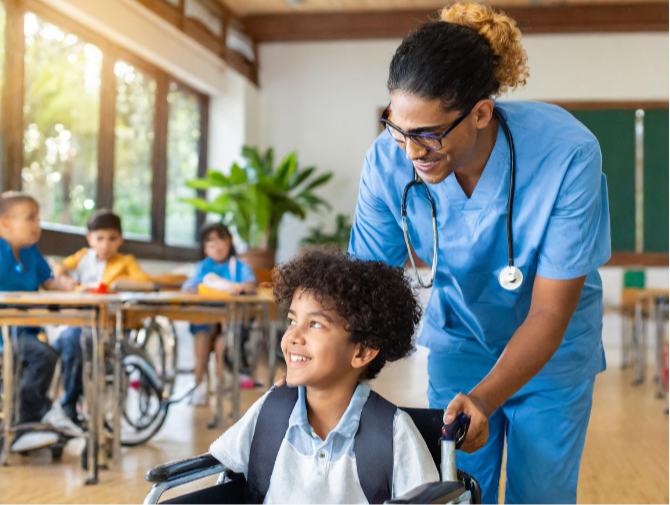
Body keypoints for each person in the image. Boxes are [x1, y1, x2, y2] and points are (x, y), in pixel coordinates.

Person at [347, 4, 611, 504]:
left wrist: (487, 398)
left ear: (482, 112)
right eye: (398, 128)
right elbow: (364, 285)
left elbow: (551, 310)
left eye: (428, 134)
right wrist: (329, 371)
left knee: (542, 495)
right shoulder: (388, 159)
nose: (410, 151)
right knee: (457, 491)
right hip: (461, 341)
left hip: (553, 351)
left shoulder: (567, 153)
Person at [209, 249, 438, 503]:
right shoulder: (269, 413)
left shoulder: (393, 434)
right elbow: (224, 483)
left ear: (362, 351)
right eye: (291, 321)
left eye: (315, 324)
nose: (293, 337)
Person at [51, 209, 154, 422]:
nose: (106, 244)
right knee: (64, 343)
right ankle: (66, 404)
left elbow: (146, 283)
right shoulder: (82, 258)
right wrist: (63, 278)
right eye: (100, 238)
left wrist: (116, 285)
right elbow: (58, 267)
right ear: (90, 239)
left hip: (109, 325)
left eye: (112, 238)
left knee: (75, 342)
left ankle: (70, 403)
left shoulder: (125, 262)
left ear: (120, 240)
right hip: (80, 320)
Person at [0, 192, 83, 452]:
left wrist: (67, 284)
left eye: (38, 218)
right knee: (42, 357)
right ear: (5, 224)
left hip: (26, 331)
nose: (38, 225)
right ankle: (30, 420)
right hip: (4, 334)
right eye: (30, 218)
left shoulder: (31, 252)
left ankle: (46, 416)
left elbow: (49, 281)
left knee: (61, 350)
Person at [182, 222, 257, 405]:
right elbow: (189, 286)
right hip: (206, 319)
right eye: (210, 243)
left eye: (220, 240)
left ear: (229, 241)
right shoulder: (203, 267)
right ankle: (199, 384)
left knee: (221, 344)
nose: (216, 247)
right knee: (202, 340)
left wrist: (235, 287)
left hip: (231, 321)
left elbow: (250, 285)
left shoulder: (239, 267)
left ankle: (221, 382)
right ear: (205, 248)